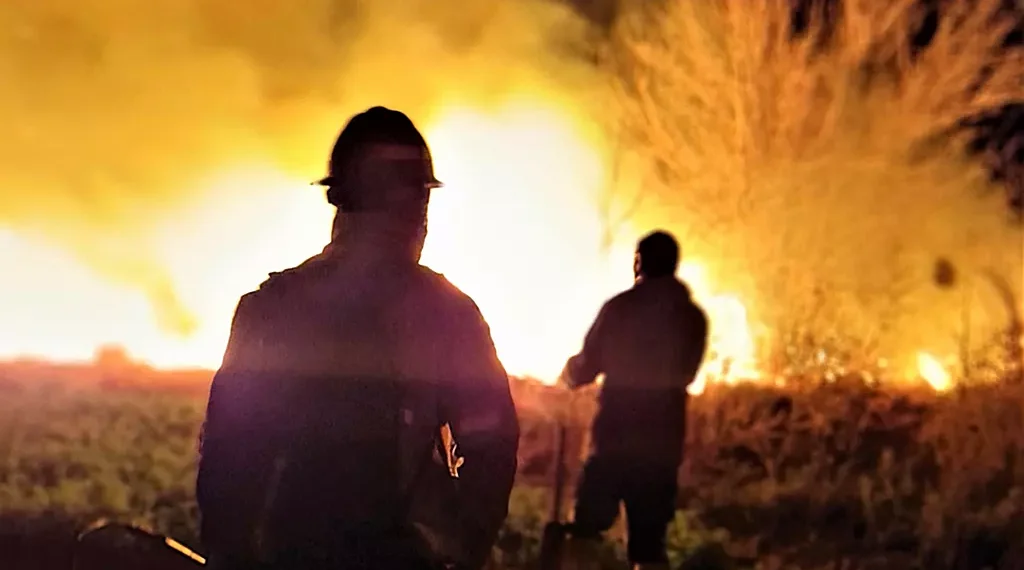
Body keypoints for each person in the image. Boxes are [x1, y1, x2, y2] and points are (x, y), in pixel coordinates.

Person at [195, 106, 520, 570]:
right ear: (414, 207)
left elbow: (229, 451)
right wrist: (463, 547)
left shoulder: (271, 308)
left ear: (339, 199)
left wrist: (230, 551)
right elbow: (491, 444)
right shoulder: (446, 314)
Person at [558, 230, 708, 570]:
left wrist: (566, 377)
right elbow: (688, 373)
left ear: (639, 262)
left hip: (612, 441)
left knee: (584, 531)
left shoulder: (620, 309)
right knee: (648, 545)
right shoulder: (692, 318)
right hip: (661, 448)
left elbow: (586, 366)